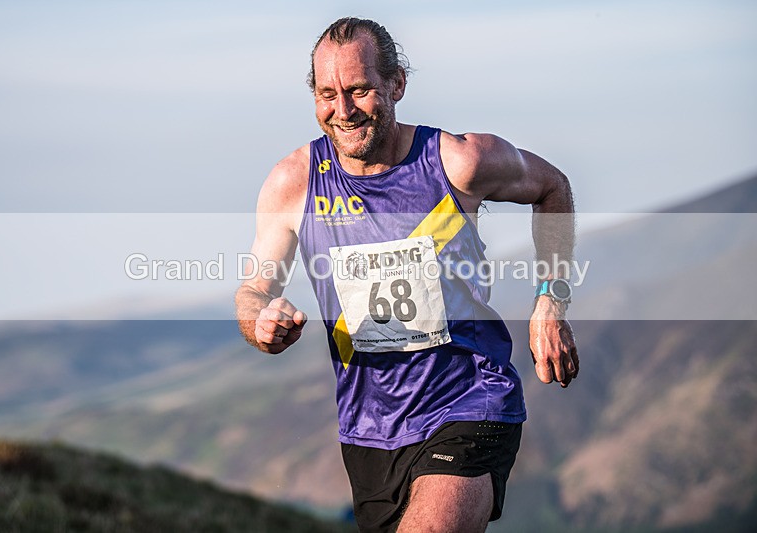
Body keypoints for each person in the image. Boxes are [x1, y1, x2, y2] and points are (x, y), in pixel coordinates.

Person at [235, 17, 578, 533]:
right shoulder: (294, 183)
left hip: (468, 401)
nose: (343, 110)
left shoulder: (458, 162)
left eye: (359, 90)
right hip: (369, 430)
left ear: (397, 84)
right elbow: (254, 289)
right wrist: (261, 322)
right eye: (328, 94)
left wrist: (550, 299)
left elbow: (553, 187)